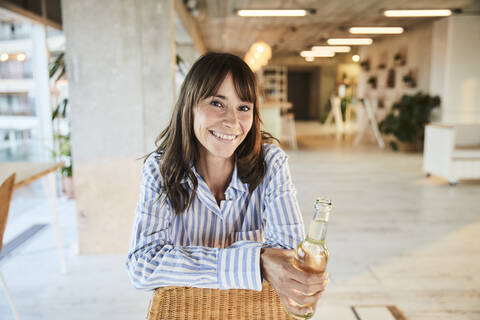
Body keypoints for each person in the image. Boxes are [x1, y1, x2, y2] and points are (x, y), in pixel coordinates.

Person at [126, 52, 328, 316]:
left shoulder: (271, 164)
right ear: (190, 106)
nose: (232, 121)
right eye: (217, 103)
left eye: (243, 107)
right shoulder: (160, 169)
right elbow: (143, 265)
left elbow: (286, 255)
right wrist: (257, 261)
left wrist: (186, 262)